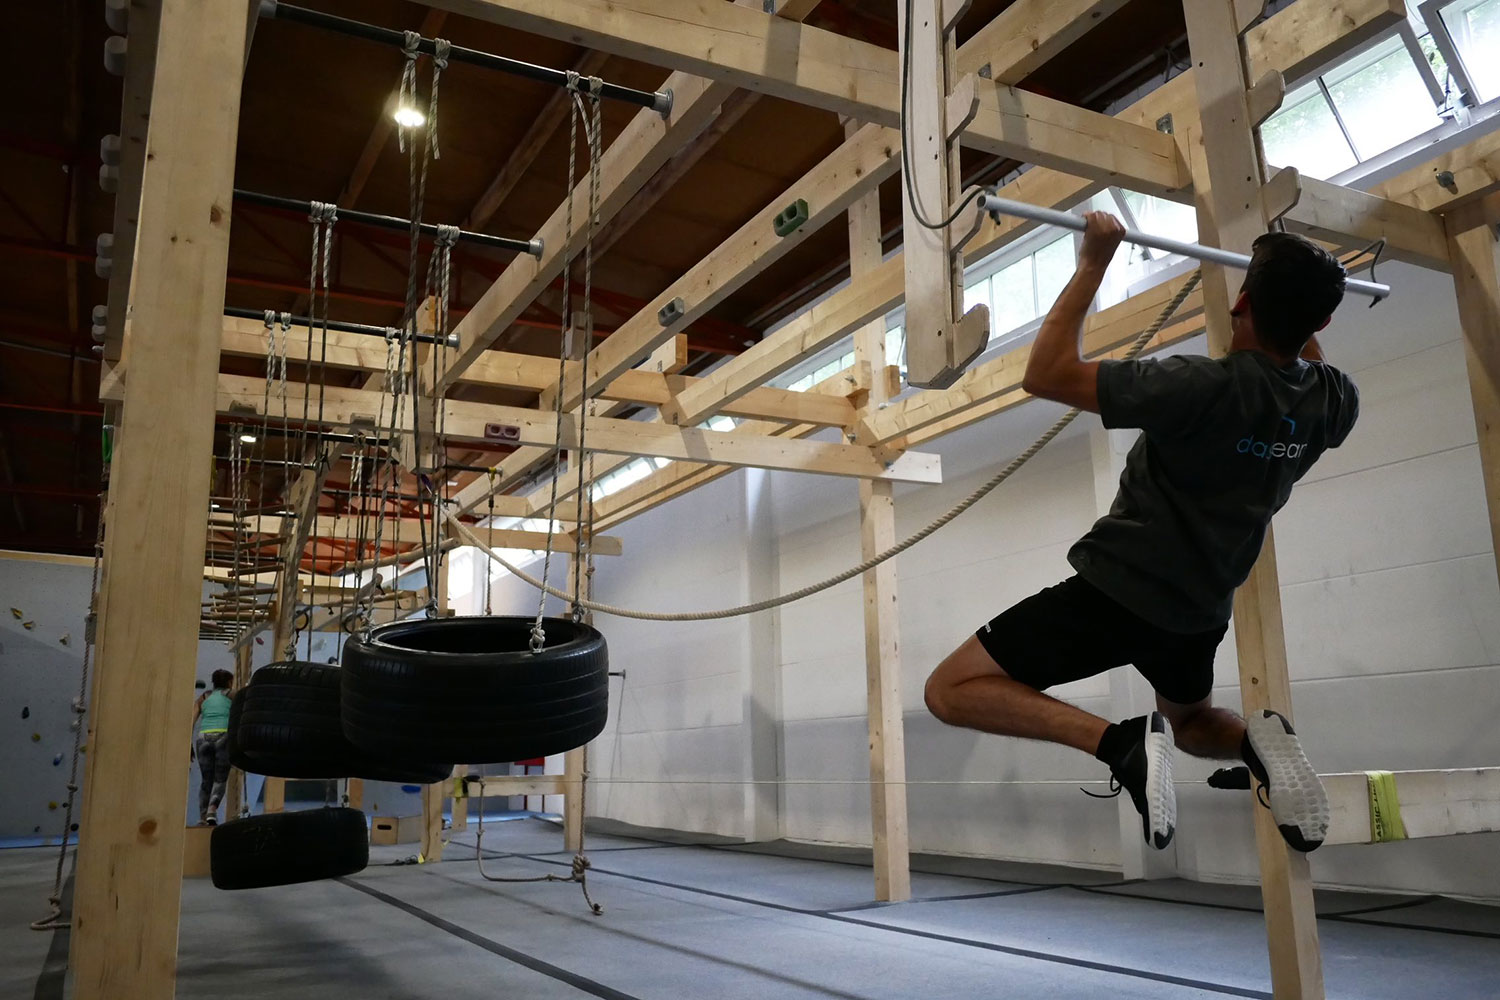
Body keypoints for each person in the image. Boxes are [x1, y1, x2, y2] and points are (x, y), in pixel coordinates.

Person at [924, 213, 1358, 853]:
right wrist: (1299, 288)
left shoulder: (1197, 386)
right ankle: (1254, 744)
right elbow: (1306, 354)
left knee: (949, 689)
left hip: (1119, 591)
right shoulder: (1334, 401)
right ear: (1322, 321)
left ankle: (1117, 743)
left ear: (1241, 302)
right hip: (1198, 614)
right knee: (1192, 723)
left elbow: (1046, 373)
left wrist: (1094, 261)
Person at [192, 669, 236, 826]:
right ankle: (212, 809)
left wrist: (189, 745)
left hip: (203, 738)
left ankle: (203, 817)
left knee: (206, 780)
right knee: (220, 778)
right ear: (229, 682)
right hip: (223, 737)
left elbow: (192, 719)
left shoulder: (204, 697)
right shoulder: (232, 694)